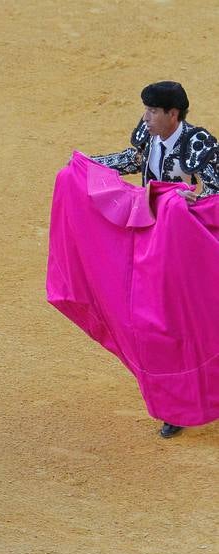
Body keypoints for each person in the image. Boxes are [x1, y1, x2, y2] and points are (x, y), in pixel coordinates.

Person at [90, 81, 219, 438]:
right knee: (154, 324)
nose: (145, 119)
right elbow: (134, 159)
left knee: (187, 321)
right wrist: (90, 165)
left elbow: (216, 189)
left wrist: (190, 199)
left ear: (172, 114)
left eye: (152, 112)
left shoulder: (198, 143)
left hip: (183, 246)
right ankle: (173, 406)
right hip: (150, 238)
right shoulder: (148, 134)